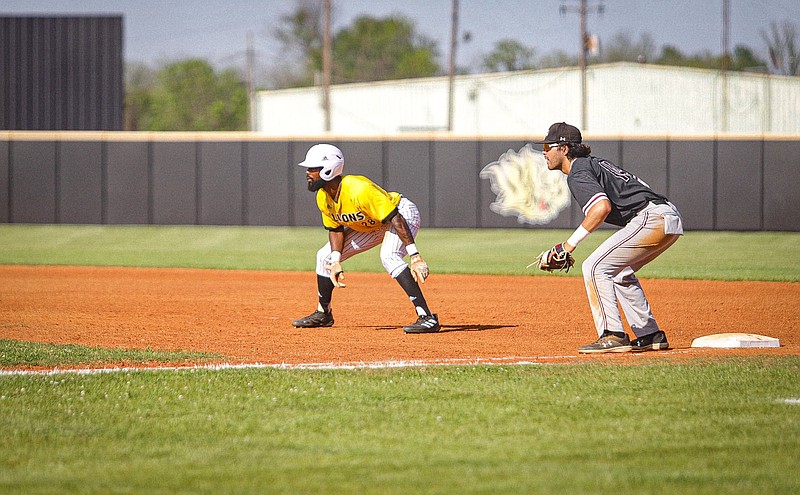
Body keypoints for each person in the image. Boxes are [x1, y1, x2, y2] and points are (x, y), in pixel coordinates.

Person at [535, 122, 684, 354]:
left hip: (651, 217)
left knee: (595, 267)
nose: (544, 152)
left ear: (564, 149)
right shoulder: (592, 164)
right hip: (665, 216)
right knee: (620, 271)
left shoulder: (578, 171)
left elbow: (601, 208)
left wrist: (567, 246)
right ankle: (649, 334)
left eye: (548, 146)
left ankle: (612, 335)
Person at [292, 144, 441, 334]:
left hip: (401, 213)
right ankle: (323, 313)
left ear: (328, 170)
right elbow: (335, 228)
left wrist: (415, 256)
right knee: (324, 256)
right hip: (373, 223)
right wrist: (336, 260)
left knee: (389, 256)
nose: (307, 172)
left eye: (313, 168)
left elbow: (394, 217)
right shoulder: (323, 197)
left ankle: (427, 317)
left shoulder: (358, 189)